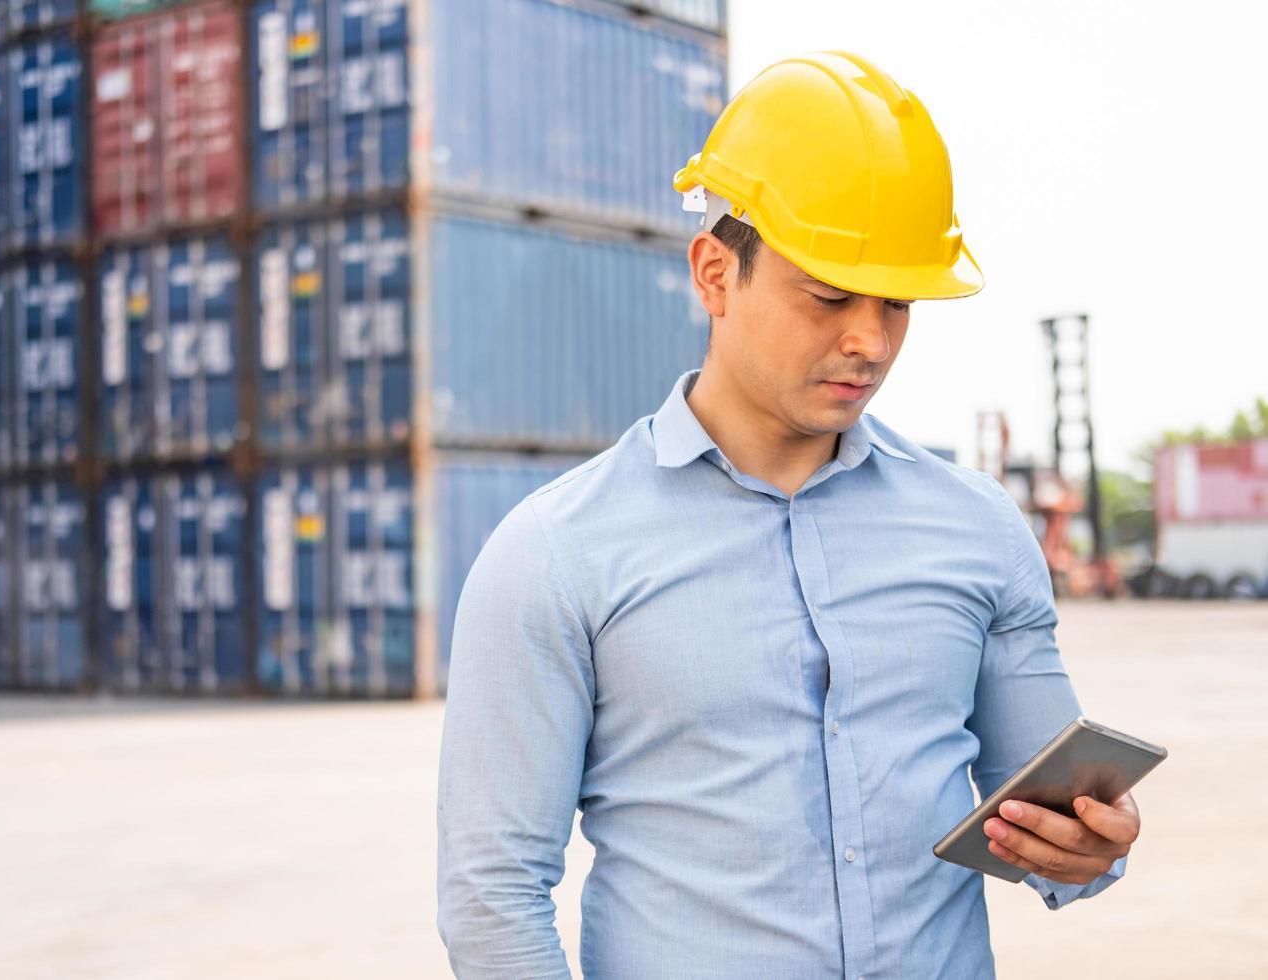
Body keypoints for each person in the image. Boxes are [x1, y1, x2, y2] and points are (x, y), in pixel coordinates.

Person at [435, 51, 1140, 979]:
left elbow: (1050, 817)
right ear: (716, 272)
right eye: (829, 295)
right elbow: (492, 895)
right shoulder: (557, 553)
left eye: (897, 302)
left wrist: (1092, 848)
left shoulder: (977, 530)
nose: (870, 340)